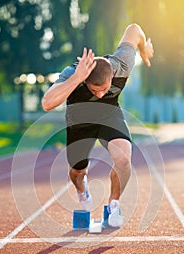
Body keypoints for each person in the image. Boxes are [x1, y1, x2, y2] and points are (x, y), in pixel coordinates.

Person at [42, 23, 154, 227]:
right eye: (95, 90)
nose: (100, 94)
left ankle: (114, 204)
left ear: (112, 75)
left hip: (109, 115)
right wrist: (77, 78)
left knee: (123, 157)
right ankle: (81, 188)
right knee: (77, 172)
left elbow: (134, 29)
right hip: (79, 123)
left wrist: (144, 49)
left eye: (104, 89)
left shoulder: (123, 63)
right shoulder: (72, 74)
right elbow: (47, 103)